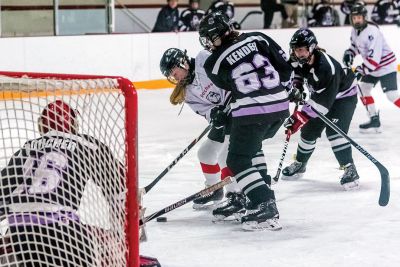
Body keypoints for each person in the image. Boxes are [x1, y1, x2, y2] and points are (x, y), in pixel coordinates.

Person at [199, 12, 294, 231]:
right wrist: (288, 89)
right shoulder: (258, 38)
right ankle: (258, 191)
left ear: (216, 36)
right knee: (253, 149)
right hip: (280, 106)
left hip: (253, 111)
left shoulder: (213, 62)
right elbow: (284, 66)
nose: (208, 43)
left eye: (208, 38)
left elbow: (231, 87)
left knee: (237, 159)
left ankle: (264, 202)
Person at [0, 100, 124, 266]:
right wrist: (125, 230)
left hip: (19, 230)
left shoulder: (27, 149)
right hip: (62, 229)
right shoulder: (88, 145)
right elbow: (119, 190)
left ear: (42, 125)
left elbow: (3, 190)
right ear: (73, 124)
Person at [159, 47, 243, 212]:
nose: (174, 78)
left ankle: (236, 195)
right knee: (206, 153)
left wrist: (234, 93)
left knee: (226, 156)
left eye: (174, 73)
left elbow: (229, 71)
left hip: (240, 108)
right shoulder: (187, 92)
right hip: (225, 116)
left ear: (182, 63)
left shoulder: (203, 58)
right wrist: (213, 114)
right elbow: (205, 110)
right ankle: (214, 189)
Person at [281, 28, 360, 191]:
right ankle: (300, 164)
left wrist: (297, 118)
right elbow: (296, 71)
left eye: (301, 49)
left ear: (311, 48)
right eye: (295, 49)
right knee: (308, 132)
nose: (297, 52)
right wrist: (296, 85)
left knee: (334, 131)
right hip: (322, 96)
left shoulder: (326, 68)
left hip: (343, 97)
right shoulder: (299, 58)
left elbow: (321, 106)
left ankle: (349, 167)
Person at [342, 3, 399, 132]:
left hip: (385, 67)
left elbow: (374, 60)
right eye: (354, 18)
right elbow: (356, 46)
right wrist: (349, 53)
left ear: (364, 17)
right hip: (372, 68)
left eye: (359, 18)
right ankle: (374, 119)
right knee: (363, 89)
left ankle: (374, 119)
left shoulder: (373, 31)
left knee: (392, 96)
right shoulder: (355, 31)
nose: (357, 20)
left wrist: (359, 70)